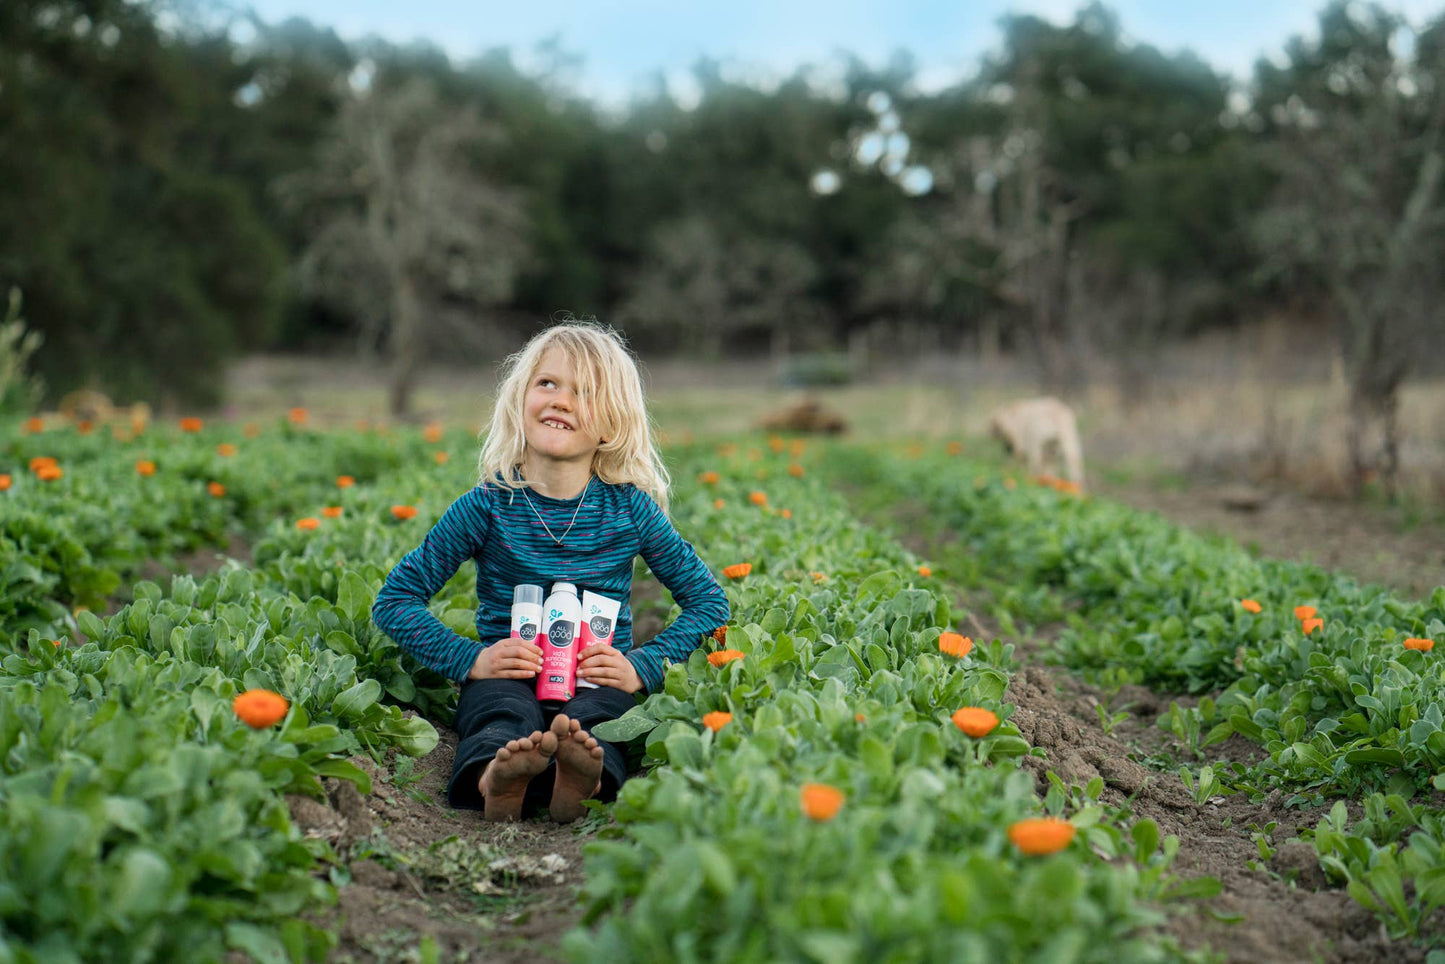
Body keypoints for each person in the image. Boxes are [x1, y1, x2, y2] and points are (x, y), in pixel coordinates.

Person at [372, 322, 729, 822]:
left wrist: (640, 667)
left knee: (600, 719)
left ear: (612, 425)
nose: (561, 400)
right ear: (521, 399)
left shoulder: (631, 510)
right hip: (511, 675)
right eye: (548, 383)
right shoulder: (488, 506)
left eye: (584, 392)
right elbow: (395, 600)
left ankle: (579, 782)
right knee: (498, 718)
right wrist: (471, 660)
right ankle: (497, 781)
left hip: (593, 677)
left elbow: (710, 603)